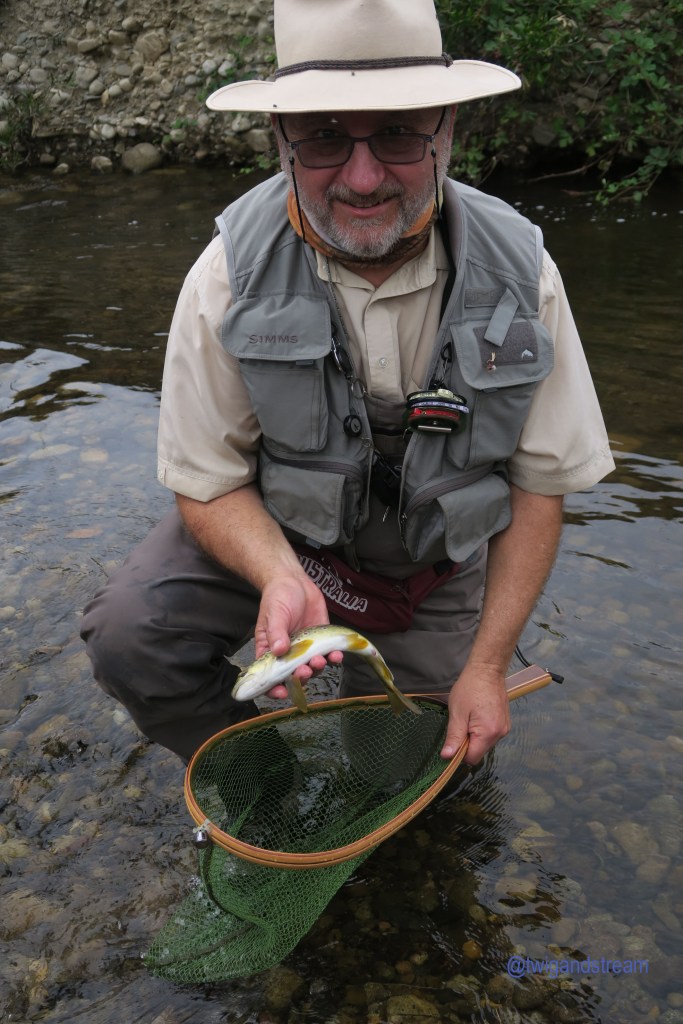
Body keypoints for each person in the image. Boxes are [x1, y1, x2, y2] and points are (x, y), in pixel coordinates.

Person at [80, 0, 615, 767]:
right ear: (280, 143)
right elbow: (207, 483)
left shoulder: (523, 278)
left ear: (448, 129)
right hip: (283, 536)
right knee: (131, 635)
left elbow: (539, 488)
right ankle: (257, 776)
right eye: (324, 136)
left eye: (398, 133)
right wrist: (275, 574)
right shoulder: (226, 277)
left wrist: (488, 668)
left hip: (429, 568)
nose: (362, 178)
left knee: (416, 757)